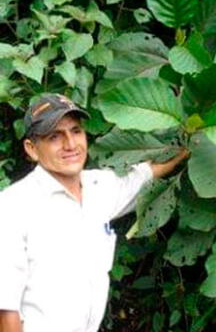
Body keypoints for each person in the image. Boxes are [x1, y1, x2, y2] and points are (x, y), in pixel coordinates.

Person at [0, 94, 189, 332]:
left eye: (76, 131)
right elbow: (5, 306)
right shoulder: (12, 206)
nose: (70, 144)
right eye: (54, 137)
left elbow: (146, 173)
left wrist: (190, 144)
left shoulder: (101, 187)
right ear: (32, 149)